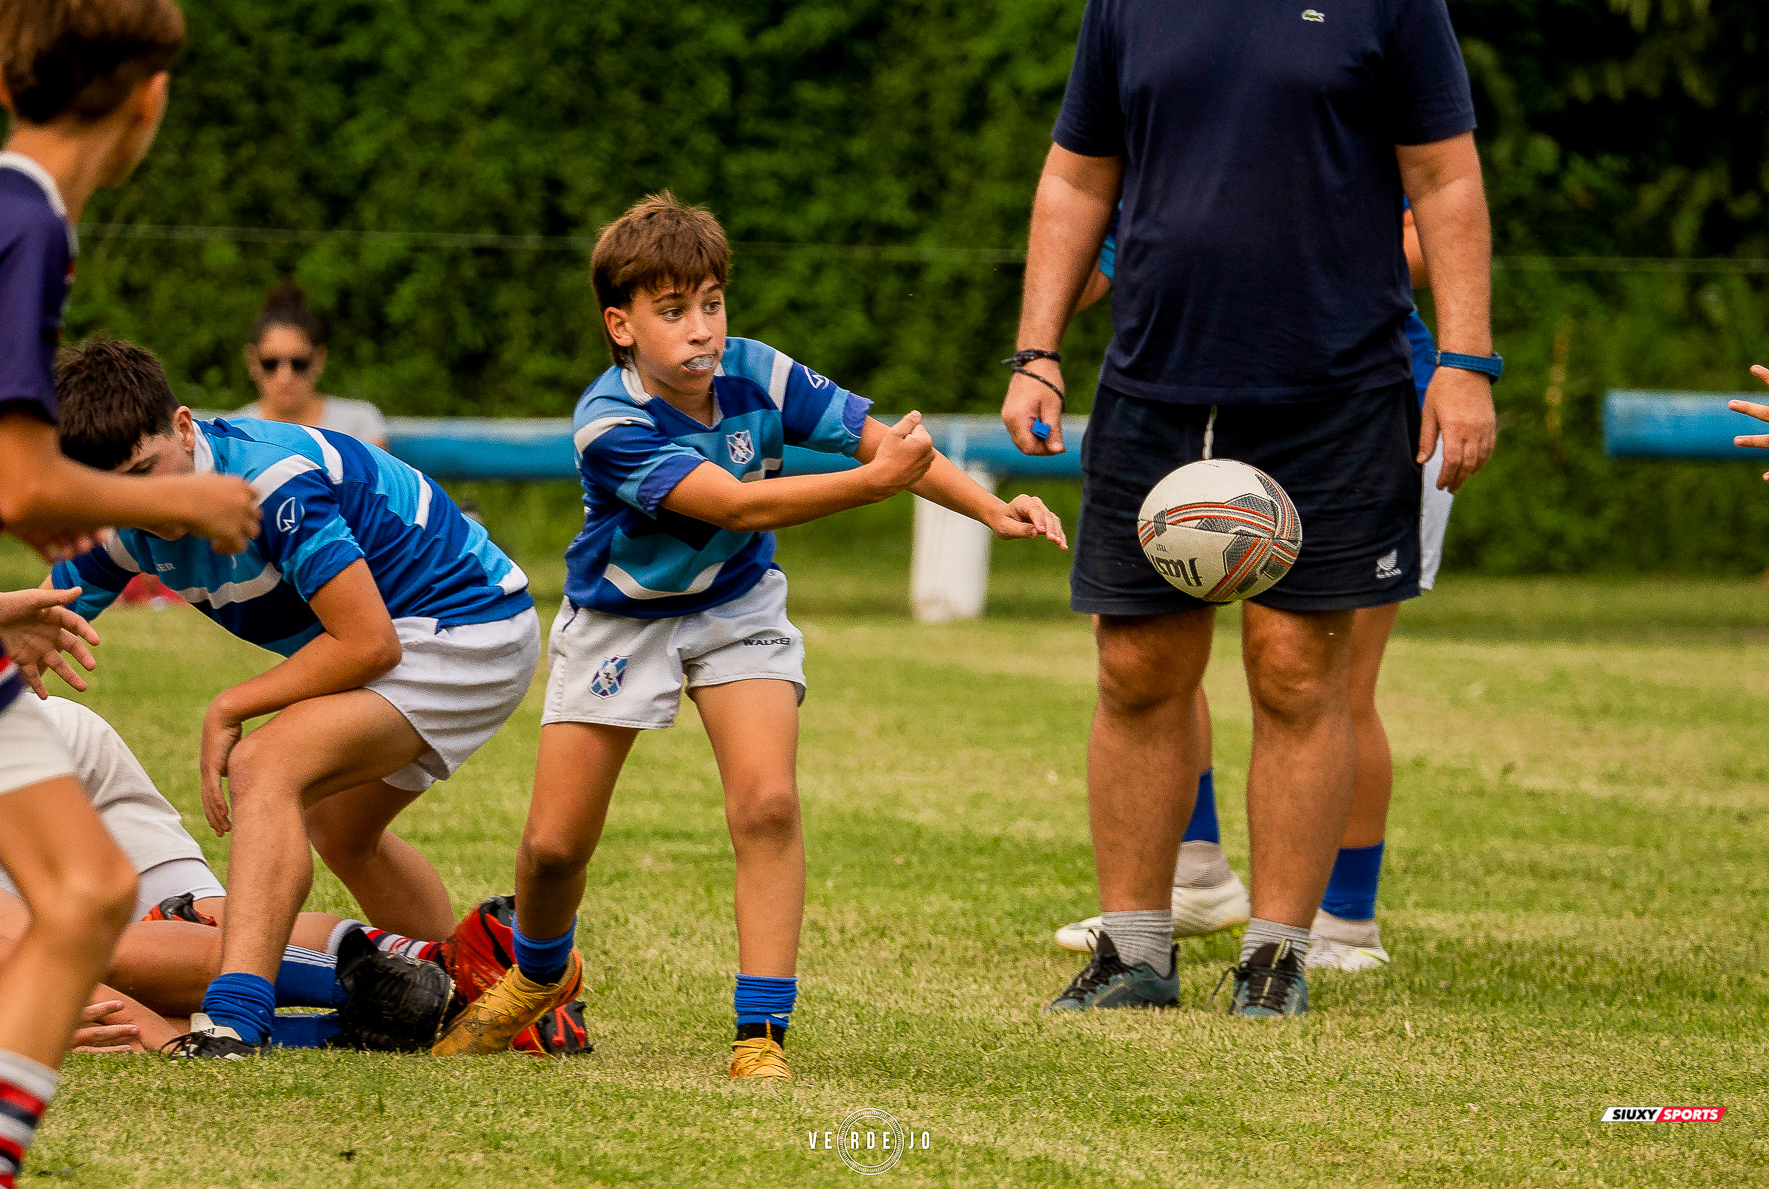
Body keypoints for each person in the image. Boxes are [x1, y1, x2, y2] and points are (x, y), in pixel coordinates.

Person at [431, 193, 1066, 1079]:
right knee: (553, 848)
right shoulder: (606, 423)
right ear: (621, 325)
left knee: (766, 804)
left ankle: (759, 1034)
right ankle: (540, 973)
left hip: (737, 604)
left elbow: (889, 443)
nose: (702, 329)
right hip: (622, 620)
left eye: (712, 302)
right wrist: (872, 485)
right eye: (673, 310)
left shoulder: (760, 373)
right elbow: (735, 502)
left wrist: (994, 509)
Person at [1003, 0, 1498, 1019]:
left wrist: (1464, 361)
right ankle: (1134, 953)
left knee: (1300, 670)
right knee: (1136, 664)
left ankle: (1277, 958)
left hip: (1337, 387)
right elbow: (1077, 173)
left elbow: (1445, 177)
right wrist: (1038, 349)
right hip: (1154, 385)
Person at [46, 337, 539, 1058]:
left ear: (184, 427)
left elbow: (369, 642)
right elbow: (33, 634)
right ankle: (485, 998)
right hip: (407, 633)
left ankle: (234, 1021)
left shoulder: (272, 483)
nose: (148, 505)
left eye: (151, 471)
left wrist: (230, 705)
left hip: (464, 623)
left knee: (266, 766)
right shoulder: (122, 525)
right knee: (342, 833)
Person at [0, 1, 261, 1178]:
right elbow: (34, 486)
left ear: (3, 78)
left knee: (87, 890)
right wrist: (181, 501)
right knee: (83, 891)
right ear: (152, 97)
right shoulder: (34, 226)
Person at [1053, 207, 1458, 971]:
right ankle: (1196, 874)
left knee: (1329, 679)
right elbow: (1102, 257)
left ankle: (1345, 923)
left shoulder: (1340, 109)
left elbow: (1433, 233)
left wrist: (1274, 276)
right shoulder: (1159, 118)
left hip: (1359, 402)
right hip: (1195, 398)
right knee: (1153, 653)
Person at [238, 281, 390, 448]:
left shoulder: (359, 423)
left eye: (299, 363)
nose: (284, 377)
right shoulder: (231, 433)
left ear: (319, 359)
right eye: (270, 363)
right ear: (252, 360)